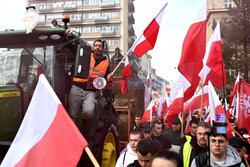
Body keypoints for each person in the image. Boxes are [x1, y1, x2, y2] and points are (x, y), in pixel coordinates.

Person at [69, 39, 113, 122]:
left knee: (89, 112)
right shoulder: (85, 55)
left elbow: (106, 80)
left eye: (100, 46)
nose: (97, 47)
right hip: (77, 87)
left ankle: (84, 129)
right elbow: (74, 49)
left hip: (91, 91)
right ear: (93, 47)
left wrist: (107, 79)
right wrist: (69, 37)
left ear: (102, 49)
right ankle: (72, 133)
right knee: (72, 115)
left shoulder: (106, 63)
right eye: (96, 45)